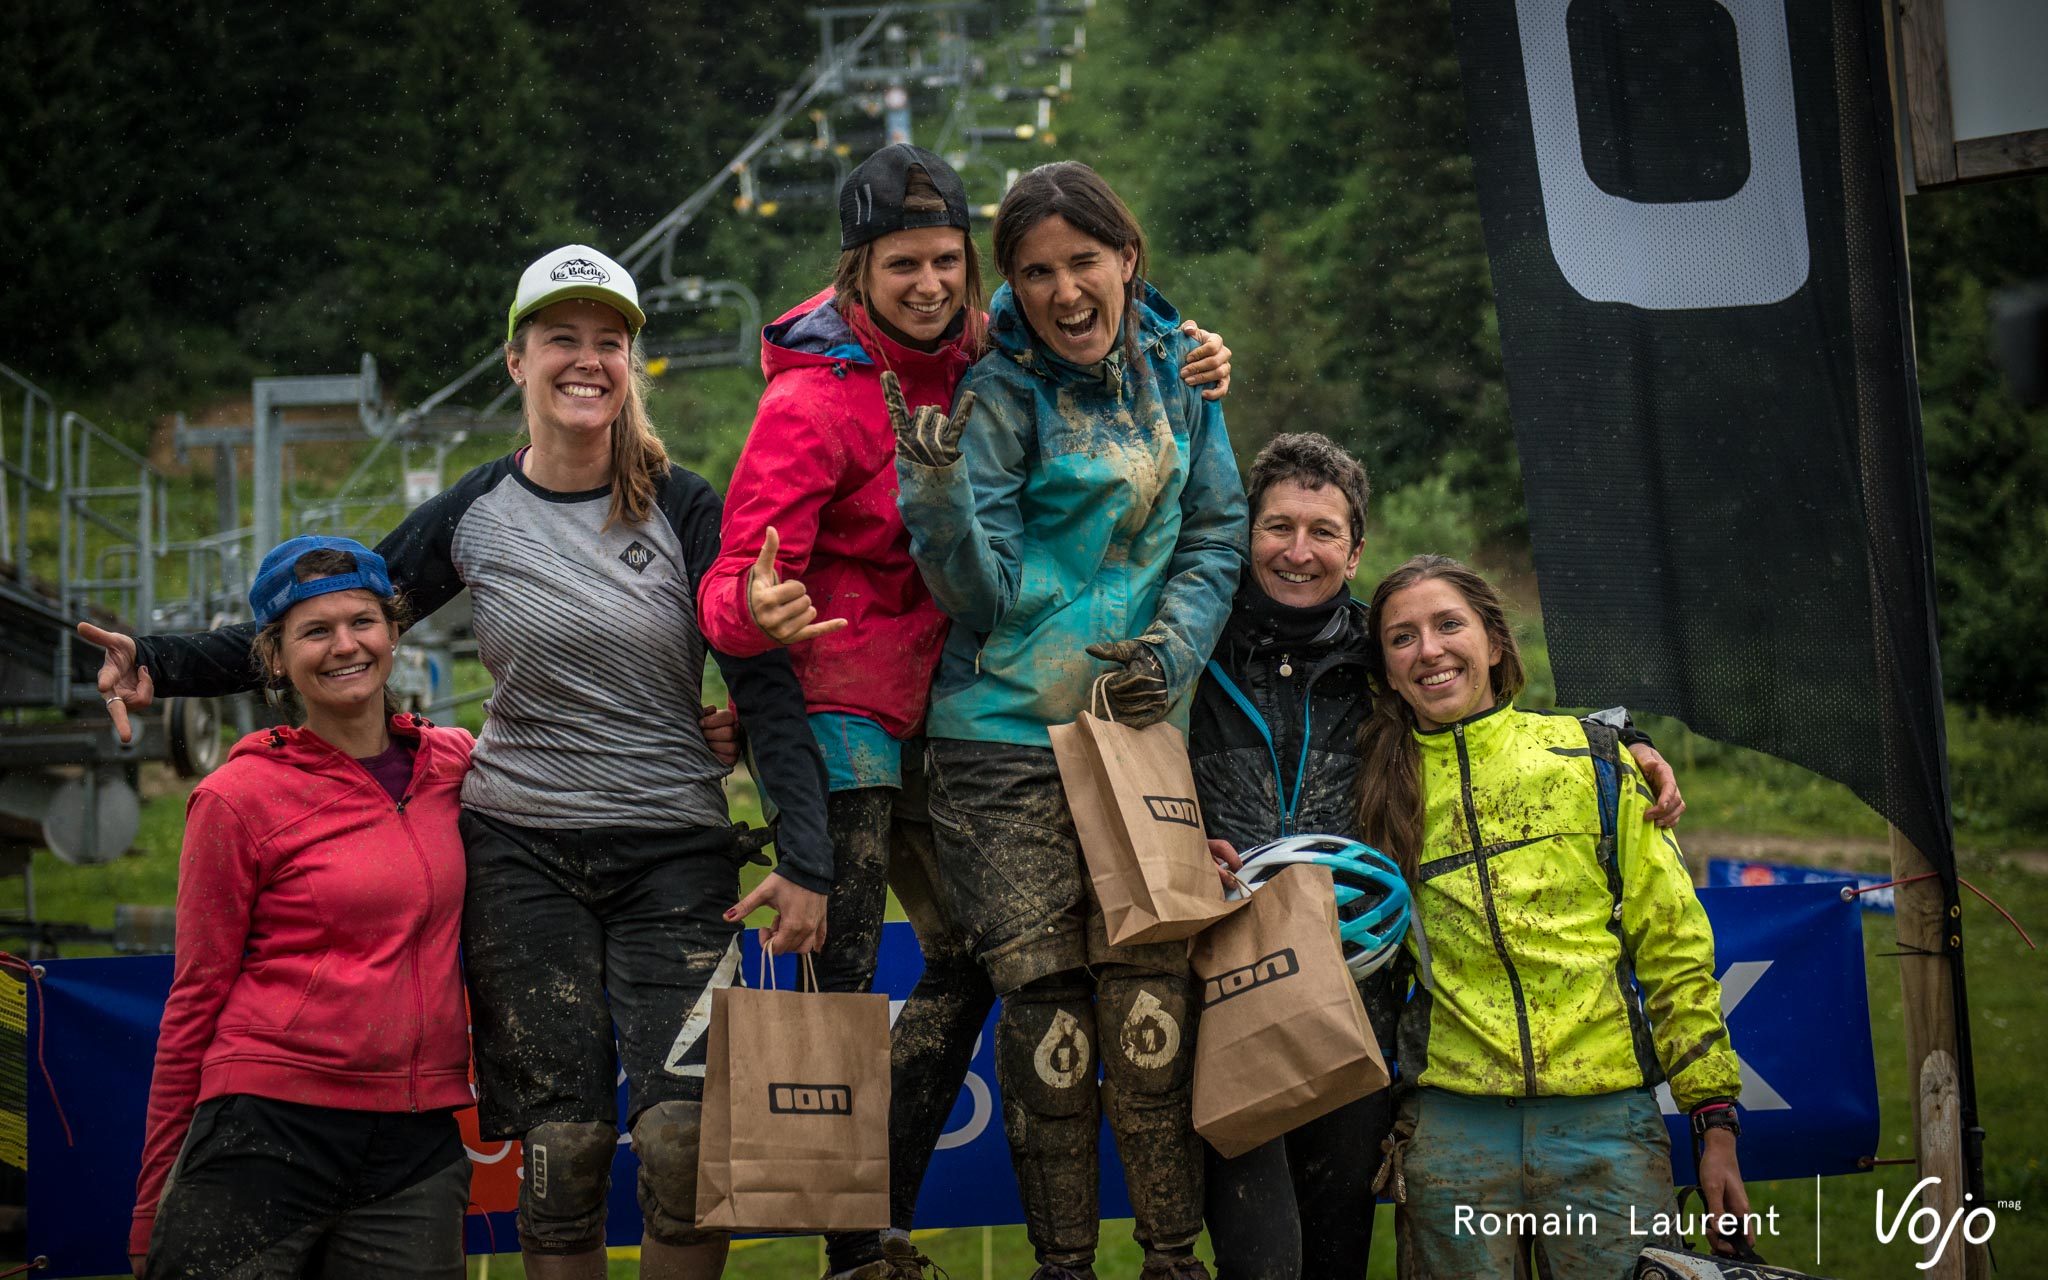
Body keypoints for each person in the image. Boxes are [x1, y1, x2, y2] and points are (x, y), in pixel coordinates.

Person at [83, 244, 834, 1280]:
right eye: (560, 339)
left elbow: (758, 679)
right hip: (523, 851)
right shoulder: (476, 512)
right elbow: (334, 615)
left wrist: (804, 852)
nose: (586, 360)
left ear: (631, 367)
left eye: (607, 342)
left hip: (674, 850)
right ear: (515, 360)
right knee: (561, 1151)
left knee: (681, 1142)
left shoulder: (686, 506)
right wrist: (158, 666)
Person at [693, 144, 1232, 1280]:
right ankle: (851, 1244)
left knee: (968, 961)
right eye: (904, 265)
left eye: (945, 260)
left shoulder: (979, 344)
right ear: (856, 272)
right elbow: (731, 584)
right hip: (838, 713)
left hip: (938, 710)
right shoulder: (808, 401)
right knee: (839, 984)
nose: (931, 283)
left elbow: (1072, 287)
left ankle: (879, 1211)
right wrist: (750, 612)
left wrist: (1185, 337)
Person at [1186, 436, 1685, 1280]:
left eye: (1322, 531)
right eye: (1277, 527)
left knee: (1339, 1245)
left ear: (1355, 550)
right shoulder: (1193, 639)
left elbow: (1483, 721)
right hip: (1227, 983)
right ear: (1245, 533)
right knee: (1257, 1257)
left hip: (1362, 1000)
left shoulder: (1381, 656)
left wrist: (1619, 738)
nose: (1298, 551)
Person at [894, 160, 1245, 1280]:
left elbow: (1214, 531)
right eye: (1035, 272)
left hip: (1134, 731)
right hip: (998, 739)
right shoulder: (998, 392)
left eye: (1081, 262)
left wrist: (1173, 650)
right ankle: (1060, 1264)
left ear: (1124, 258)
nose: (1063, 291)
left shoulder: (1183, 371)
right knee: (1048, 1024)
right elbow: (979, 595)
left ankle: (1172, 1259)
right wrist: (940, 496)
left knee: (1149, 1006)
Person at [1356, 555, 1750, 1279]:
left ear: (1495, 642)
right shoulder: (1370, 790)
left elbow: (1673, 946)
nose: (1430, 650)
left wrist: (1714, 1121)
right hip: (1452, 1129)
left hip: (1606, 1126)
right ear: (1383, 670)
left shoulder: (1594, 758)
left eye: (1449, 625)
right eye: (1401, 637)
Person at [131, 536, 475, 1278]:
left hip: (415, 1146)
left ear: (393, 631)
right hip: (265, 1129)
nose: (345, 646)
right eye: (315, 632)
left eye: (363, 622)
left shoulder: (458, 766)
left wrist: (718, 735)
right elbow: (195, 997)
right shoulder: (237, 798)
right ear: (276, 660)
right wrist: (154, 1193)